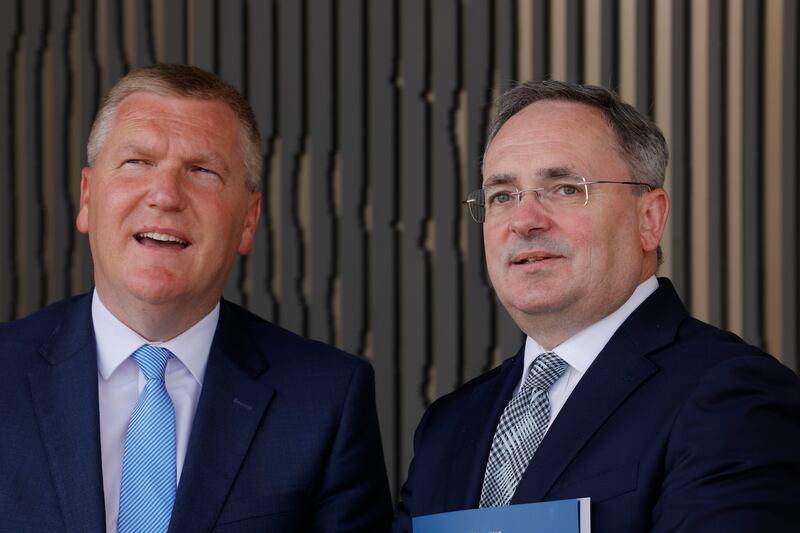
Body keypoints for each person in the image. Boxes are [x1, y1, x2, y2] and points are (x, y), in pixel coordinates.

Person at [0, 63, 392, 532]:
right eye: (137, 162)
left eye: (202, 171)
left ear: (248, 220)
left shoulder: (326, 399)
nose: (166, 195)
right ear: (87, 197)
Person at [394, 80, 800, 532]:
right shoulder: (448, 424)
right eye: (502, 196)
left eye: (565, 188)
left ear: (649, 219)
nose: (524, 221)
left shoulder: (732, 396)